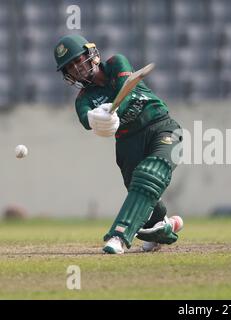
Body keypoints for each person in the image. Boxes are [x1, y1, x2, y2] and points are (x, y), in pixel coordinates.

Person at [54, 34, 184, 254]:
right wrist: (97, 118)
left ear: (92, 55)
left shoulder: (116, 63)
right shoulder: (83, 99)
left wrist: (113, 110)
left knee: (150, 174)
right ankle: (162, 228)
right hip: (127, 143)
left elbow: (127, 89)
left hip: (162, 127)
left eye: (78, 60)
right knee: (143, 193)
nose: (77, 68)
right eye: (70, 67)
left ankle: (119, 236)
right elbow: (87, 120)